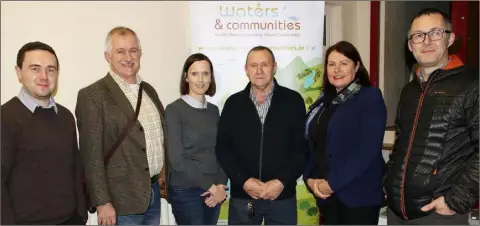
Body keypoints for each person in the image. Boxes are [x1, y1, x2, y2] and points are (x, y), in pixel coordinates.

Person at [385, 8, 479, 225]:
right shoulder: (409, 90)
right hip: (396, 211)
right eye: (418, 36)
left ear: (450, 38)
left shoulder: (472, 84)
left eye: (435, 33)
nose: (426, 42)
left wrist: (455, 200)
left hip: (438, 214)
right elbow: (401, 143)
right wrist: (389, 183)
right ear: (410, 45)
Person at [75, 26, 168, 225]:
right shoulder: (92, 96)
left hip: (151, 195)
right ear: (107, 56)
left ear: (140, 53)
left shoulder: (148, 90)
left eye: (133, 50)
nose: (128, 57)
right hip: (119, 202)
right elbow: (91, 157)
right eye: (120, 51)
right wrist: (102, 202)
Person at [215, 46, 308, 225]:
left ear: (274, 67)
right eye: (253, 65)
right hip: (247, 200)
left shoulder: (293, 101)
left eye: (264, 65)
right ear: (246, 70)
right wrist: (244, 181)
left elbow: (301, 150)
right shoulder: (234, 104)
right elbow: (224, 149)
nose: (259, 71)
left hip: (281, 197)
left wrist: (281, 181)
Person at [1, 41, 87, 225]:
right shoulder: (5, 118)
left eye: (51, 69)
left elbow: (75, 168)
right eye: (35, 68)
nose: (44, 76)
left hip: (70, 220)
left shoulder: (65, 116)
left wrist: (81, 215)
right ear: (19, 72)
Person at [303, 40, 387, 225]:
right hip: (328, 197)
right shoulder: (323, 101)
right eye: (331, 64)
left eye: (344, 63)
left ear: (356, 66)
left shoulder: (369, 98)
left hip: (358, 197)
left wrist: (332, 184)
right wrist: (310, 178)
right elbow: (312, 143)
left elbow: (367, 151)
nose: (337, 70)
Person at [165, 53, 228, 225]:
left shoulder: (214, 111)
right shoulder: (174, 110)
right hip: (187, 191)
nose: (200, 80)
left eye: (205, 74)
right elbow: (177, 160)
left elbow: (223, 150)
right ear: (186, 77)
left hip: (214, 190)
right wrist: (211, 187)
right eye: (194, 74)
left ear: (211, 77)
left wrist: (221, 185)